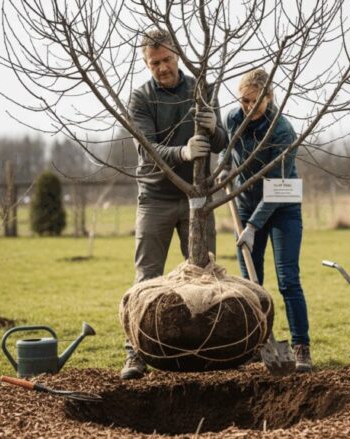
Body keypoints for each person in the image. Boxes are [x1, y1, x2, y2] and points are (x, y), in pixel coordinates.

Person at [120, 28, 228, 380]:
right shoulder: (141, 98)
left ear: (177, 55)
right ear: (145, 62)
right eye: (154, 63)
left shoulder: (201, 88)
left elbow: (224, 141)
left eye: (166, 60)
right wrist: (181, 152)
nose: (162, 68)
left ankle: (207, 351)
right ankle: (135, 352)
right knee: (146, 277)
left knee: (204, 276)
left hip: (197, 198)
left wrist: (213, 128)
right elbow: (146, 150)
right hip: (155, 198)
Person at [219, 68, 312, 372]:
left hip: (282, 204)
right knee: (251, 284)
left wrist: (252, 227)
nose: (247, 108)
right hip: (246, 205)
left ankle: (301, 347)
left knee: (288, 279)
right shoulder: (233, 118)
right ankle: (256, 345)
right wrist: (224, 167)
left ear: (269, 98)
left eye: (253, 102)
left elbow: (275, 189)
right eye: (242, 101)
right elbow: (229, 151)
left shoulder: (282, 131)